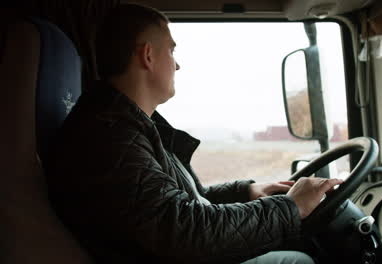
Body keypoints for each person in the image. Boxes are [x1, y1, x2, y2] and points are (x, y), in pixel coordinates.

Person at [46, 3, 343, 264]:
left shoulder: (129, 127)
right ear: (148, 56)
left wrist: (246, 191)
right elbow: (183, 231)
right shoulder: (110, 138)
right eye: (171, 50)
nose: (177, 63)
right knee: (299, 261)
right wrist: (290, 207)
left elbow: (175, 204)